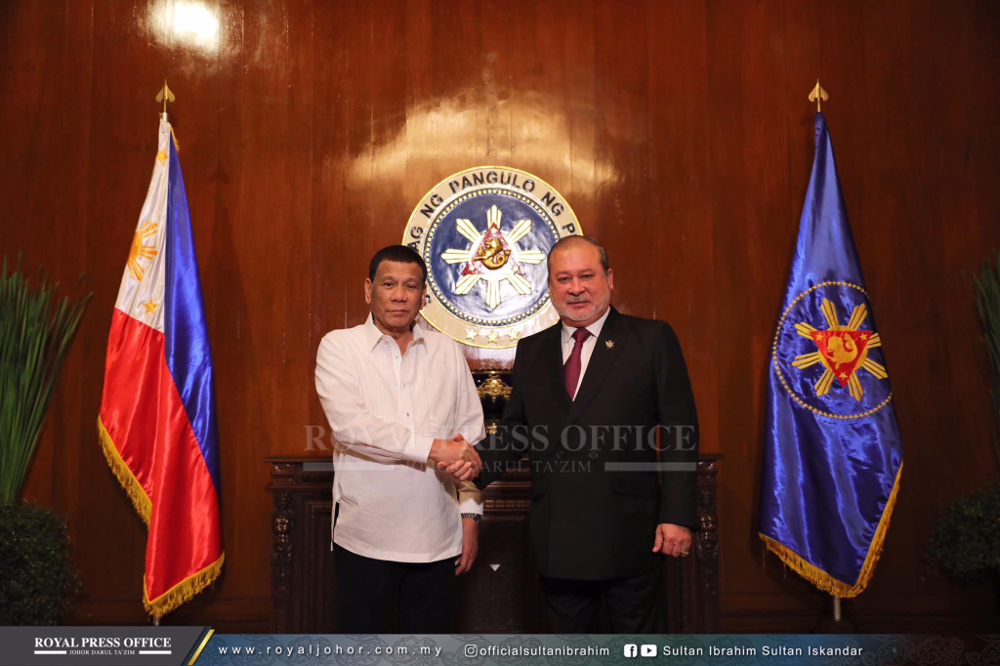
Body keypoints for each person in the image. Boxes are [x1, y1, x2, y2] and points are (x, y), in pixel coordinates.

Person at [442, 235, 699, 633]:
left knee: (639, 651)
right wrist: (476, 461)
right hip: (557, 535)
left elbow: (681, 431)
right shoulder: (532, 349)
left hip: (632, 534)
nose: (576, 288)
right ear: (550, 286)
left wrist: (678, 516)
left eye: (586, 276)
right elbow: (517, 431)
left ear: (609, 278)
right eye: (564, 278)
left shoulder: (651, 340)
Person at [315, 244, 485, 633]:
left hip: (439, 538)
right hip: (365, 537)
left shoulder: (446, 350)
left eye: (410, 286)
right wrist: (436, 448)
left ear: (423, 295)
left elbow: (470, 442)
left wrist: (471, 517)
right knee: (363, 654)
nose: (399, 295)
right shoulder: (339, 346)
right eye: (389, 284)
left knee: (431, 654)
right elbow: (352, 428)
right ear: (368, 290)